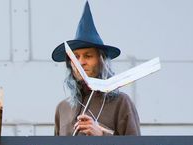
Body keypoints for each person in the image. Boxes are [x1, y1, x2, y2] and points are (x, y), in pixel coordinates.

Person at [52, 1, 140, 136]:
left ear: (101, 61)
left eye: (88, 56)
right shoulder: (62, 108)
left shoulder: (121, 102)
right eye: (75, 57)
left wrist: (102, 136)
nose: (81, 62)